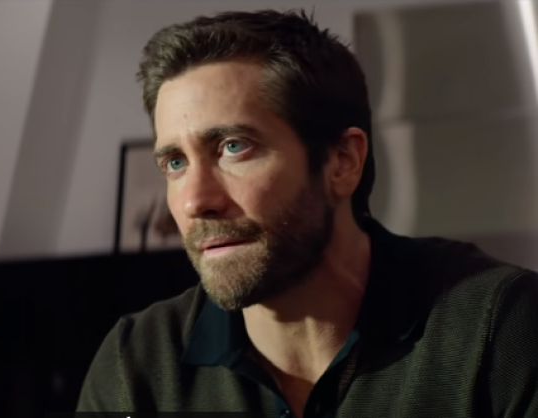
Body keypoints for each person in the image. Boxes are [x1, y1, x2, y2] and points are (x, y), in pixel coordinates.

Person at [77, 9, 538, 417]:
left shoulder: (500, 330)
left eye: (234, 147)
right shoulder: (138, 364)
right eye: (175, 163)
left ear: (343, 161)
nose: (195, 201)